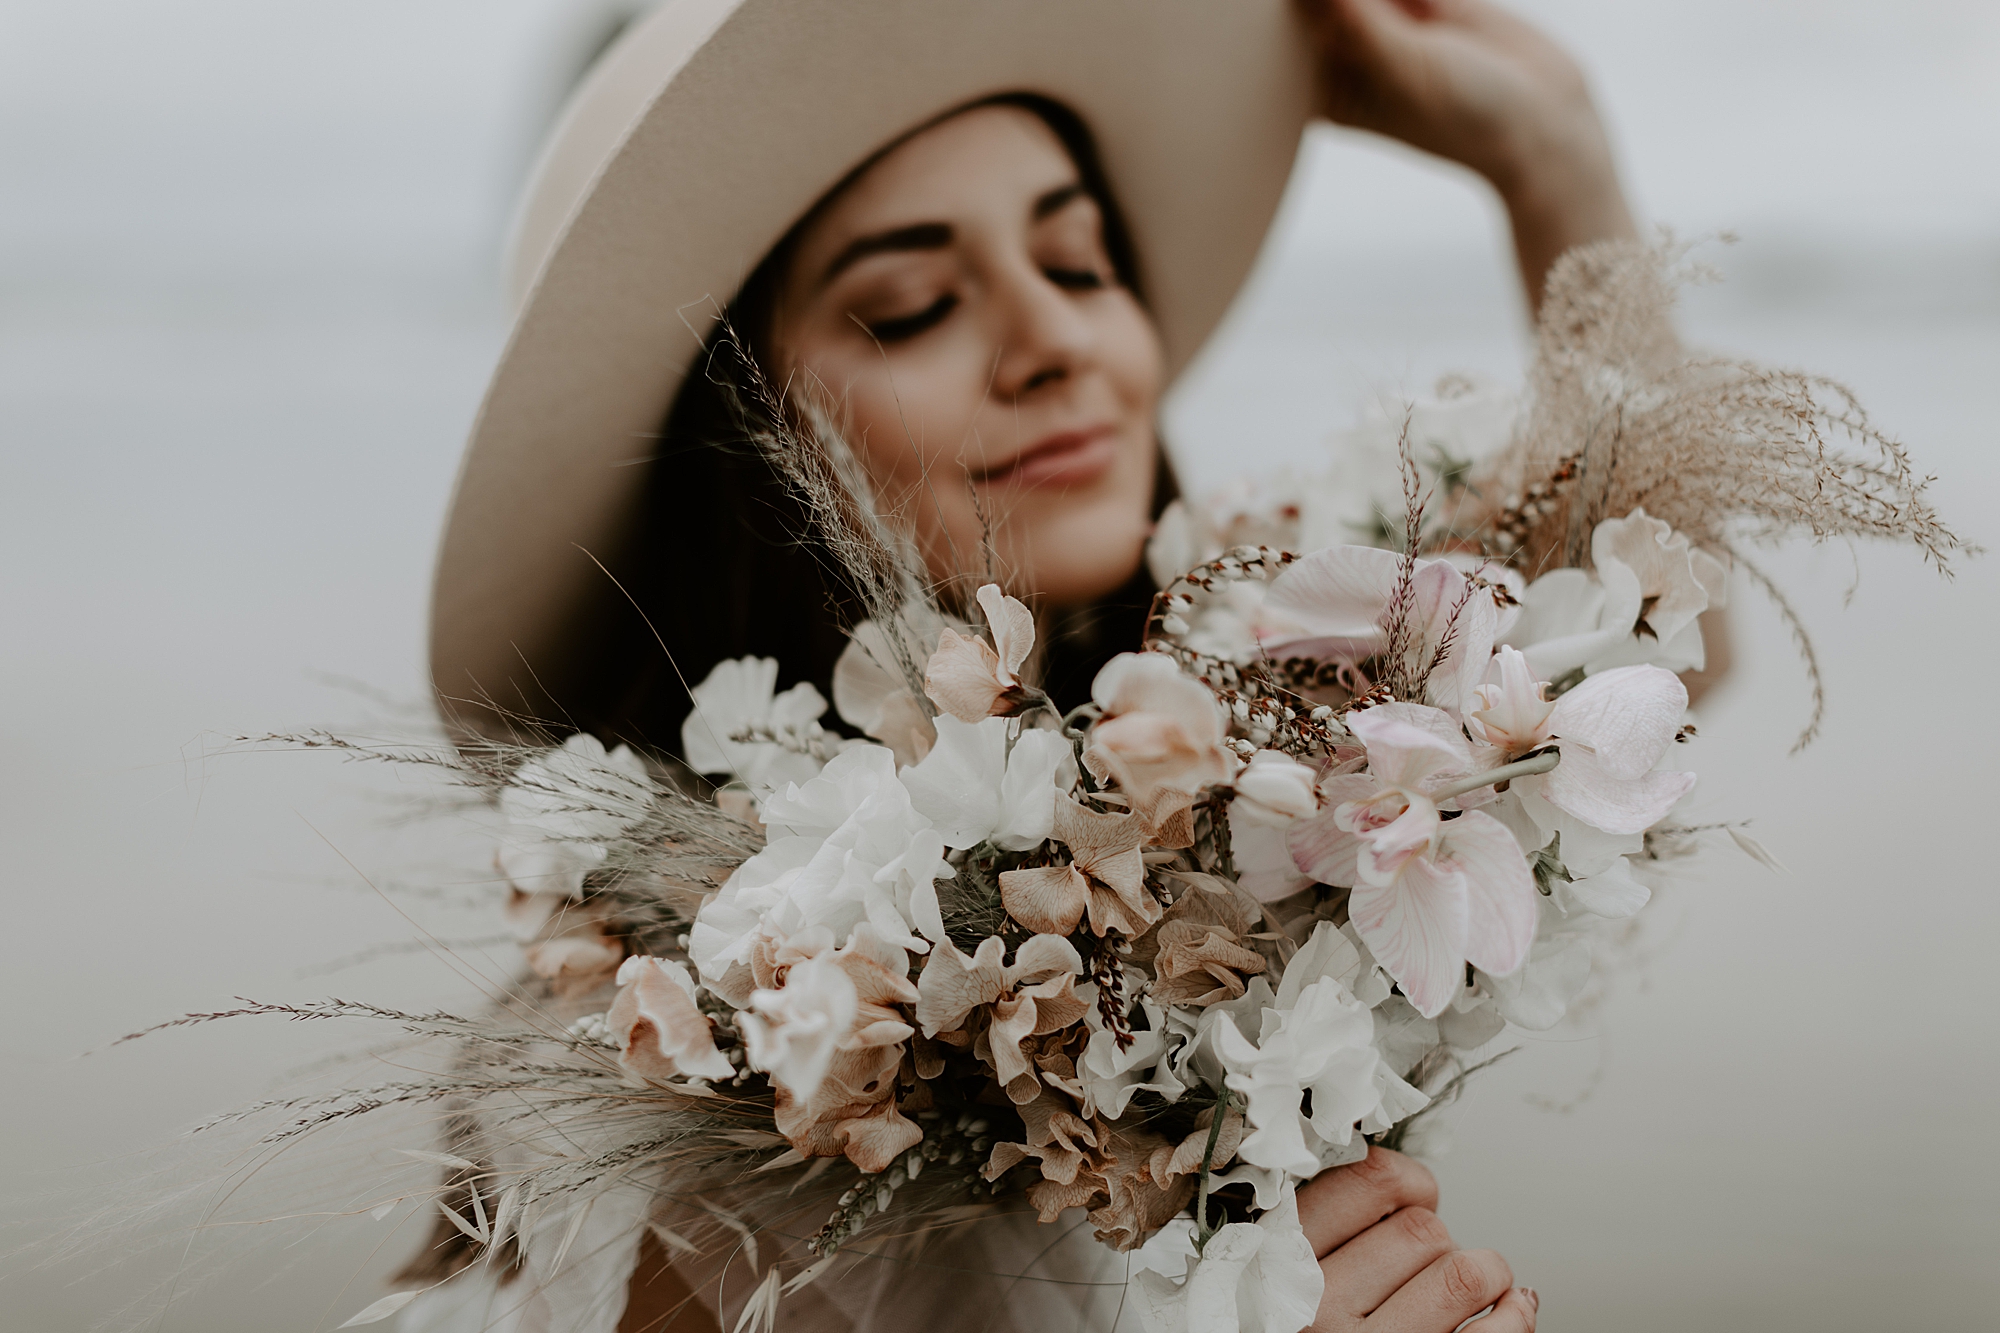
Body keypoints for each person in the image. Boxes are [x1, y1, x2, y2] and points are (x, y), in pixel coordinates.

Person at [421, 2, 1640, 1329]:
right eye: (914, 305)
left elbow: (1632, 677)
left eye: (1078, 259)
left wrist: (1547, 155)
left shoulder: (1255, 760)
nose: (1055, 340)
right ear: (737, 443)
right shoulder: (723, 1062)